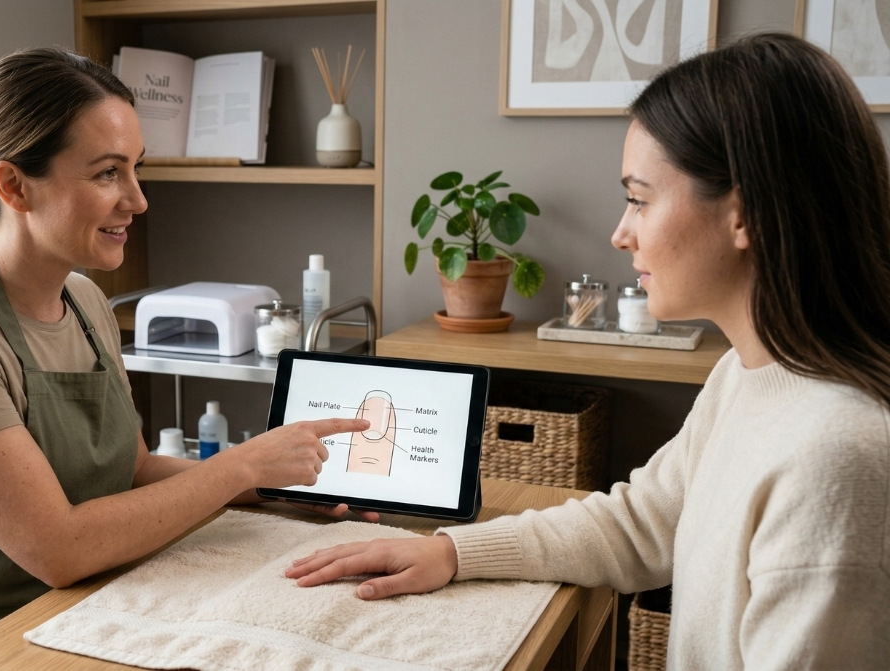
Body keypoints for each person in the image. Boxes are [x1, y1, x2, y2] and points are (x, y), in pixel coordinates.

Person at [287, 32, 890, 668]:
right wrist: (455, 552)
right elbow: (645, 523)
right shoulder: (748, 372)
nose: (620, 233)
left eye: (638, 199)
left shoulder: (834, 462)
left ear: (744, 216)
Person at [0, 47, 374, 670]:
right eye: (107, 174)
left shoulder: (85, 300)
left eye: (135, 169)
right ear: (14, 185)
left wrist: (267, 488)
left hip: (80, 614)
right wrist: (238, 467)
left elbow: (134, 471)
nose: (138, 200)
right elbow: (60, 550)